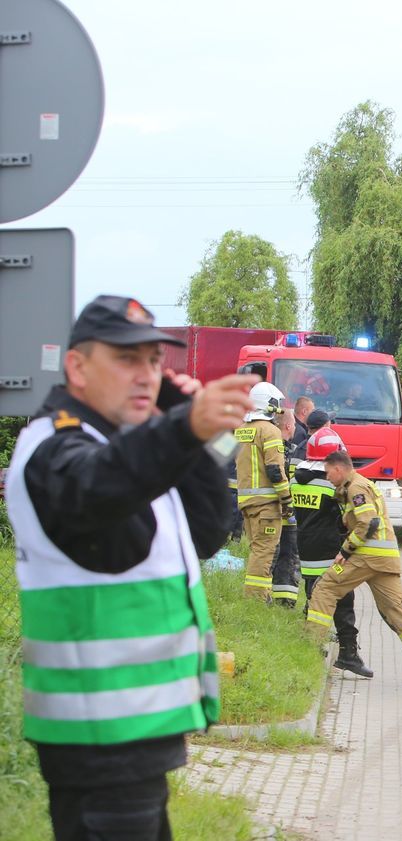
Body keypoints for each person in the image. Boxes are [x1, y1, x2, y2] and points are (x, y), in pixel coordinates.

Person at [6, 294, 255, 840]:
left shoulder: (125, 445)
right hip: (97, 739)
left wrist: (194, 435)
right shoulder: (55, 446)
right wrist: (177, 429)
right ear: (76, 366)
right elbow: (99, 490)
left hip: (139, 733)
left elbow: (209, 532)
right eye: (125, 360)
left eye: (151, 361)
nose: (144, 375)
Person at [306, 450, 402, 687]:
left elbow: (368, 521)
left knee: (325, 588)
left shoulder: (356, 487)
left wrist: (346, 550)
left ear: (339, 469)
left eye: (328, 471)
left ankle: (309, 650)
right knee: (393, 609)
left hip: (367, 556)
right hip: (386, 558)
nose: (327, 477)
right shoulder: (361, 484)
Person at [293, 428, 370, 677]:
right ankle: (348, 654)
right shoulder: (331, 485)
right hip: (330, 551)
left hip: (305, 550)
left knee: (313, 598)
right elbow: (343, 520)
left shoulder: (296, 480)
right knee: (343, 600)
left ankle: (310, 652)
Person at [234, 381, 292, 600]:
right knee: (264, 550)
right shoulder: (269, 431)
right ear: (268, 404)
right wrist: (286, 500)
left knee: (256, 549)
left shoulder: (242, 430)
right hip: (266, 503)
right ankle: (256, 598)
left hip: (247, 501)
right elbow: (275, 470)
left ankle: (260, 593)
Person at [268, 407, 301, 607]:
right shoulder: (289, 450)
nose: (296, 427)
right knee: (287, 555)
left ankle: (270, 596)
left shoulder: (267, 444)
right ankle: (285, 601)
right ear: (288, 425)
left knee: (271, 554)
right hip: (285, 511)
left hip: (266, 509)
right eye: (295, 424)